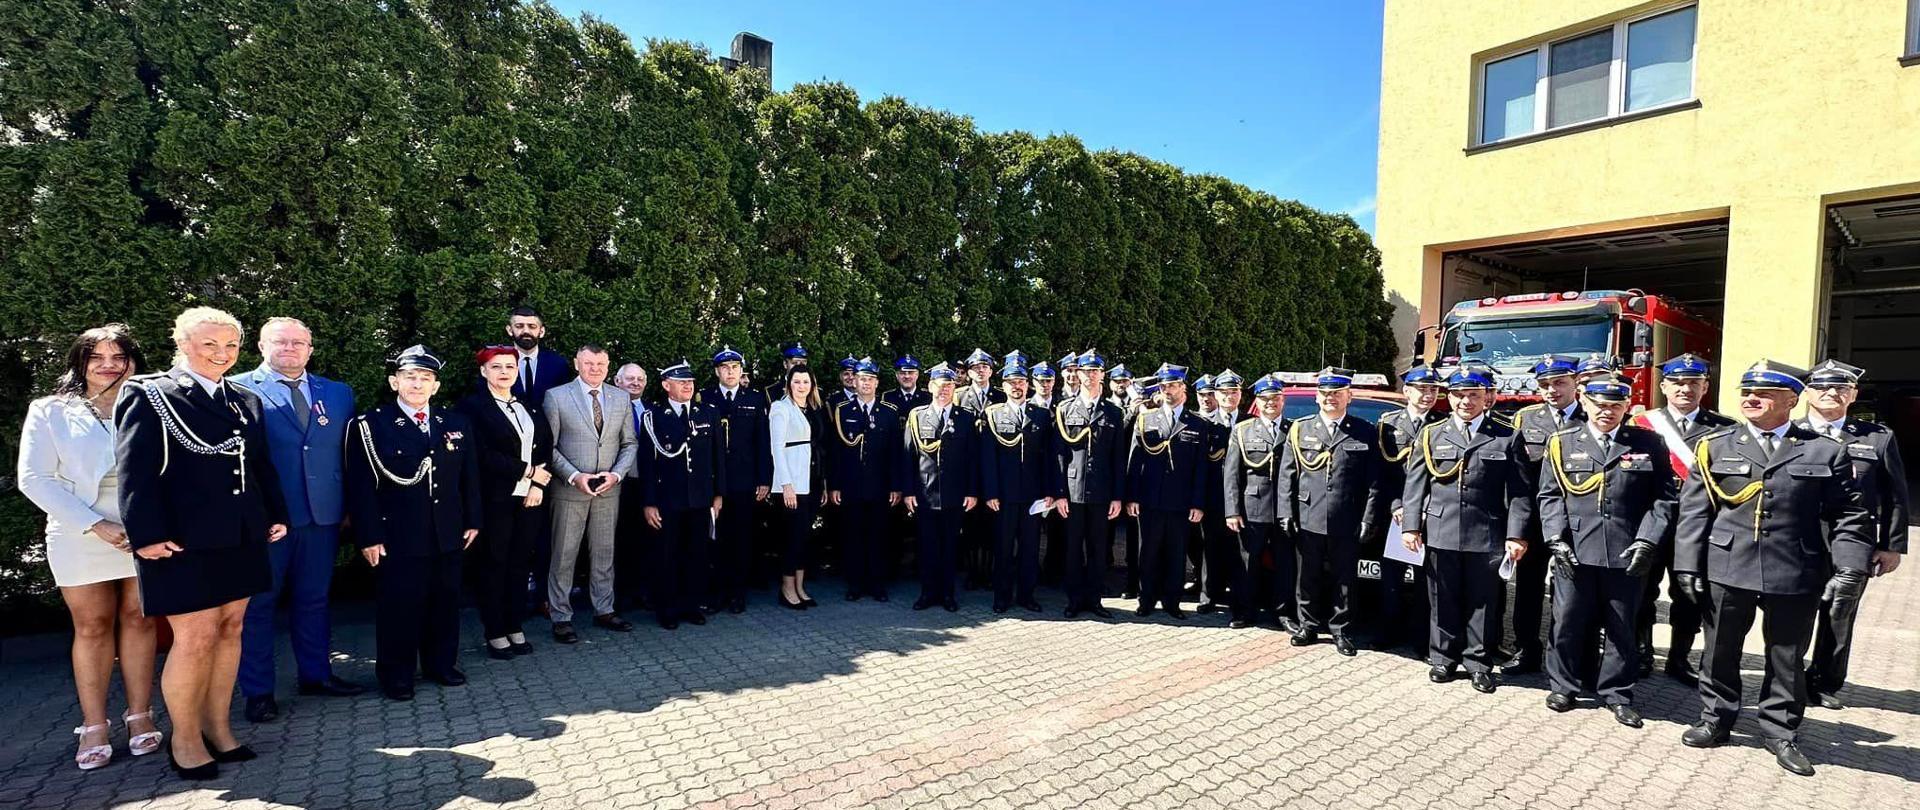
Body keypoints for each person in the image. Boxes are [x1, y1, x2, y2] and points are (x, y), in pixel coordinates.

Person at [1675, 360, 1874, 776]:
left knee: (1786, 656)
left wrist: (1850, 569)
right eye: (1746, 392)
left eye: (1763, 394)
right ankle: (1716, 719)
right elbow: (1695, 513)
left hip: (1795, 567)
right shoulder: (1717, 445)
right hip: (1728, 565)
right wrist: (1687, 567)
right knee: (1719, 652)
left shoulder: (1824, 449)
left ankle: (1780, 730)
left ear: (1791, 400)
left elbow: (1849, 516)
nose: (1750, 399)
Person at [117, 307, 289, 780]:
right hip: (182, 540)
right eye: (210, 344)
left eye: (231, 345)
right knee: (193, 638)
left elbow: (258, 465)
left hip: (241, 535)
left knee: (231, 629)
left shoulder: (244, 399)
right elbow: (136, 471)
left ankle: (218, 728)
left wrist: (275, 514)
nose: (222, 354)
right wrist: (145, 535)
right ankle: (185, 739)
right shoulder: (150, 394)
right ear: (182, 344)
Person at [18, 324, 162, 771]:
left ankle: (140, 716)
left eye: (119, 356)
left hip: (143, 530)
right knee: (93, 626)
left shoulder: (152, 404)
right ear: (79, 362)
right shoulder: (50, 410)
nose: (108, 365)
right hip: (80, 530)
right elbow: (34, 479)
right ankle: (94, 724)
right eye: (96, 357)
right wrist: (96, 523)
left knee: (140, 619)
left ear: (133, 361)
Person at [231, 317, 364, 724]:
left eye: (299, 343)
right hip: (271, 520)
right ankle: (258, 692)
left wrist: (349, 507)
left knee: (314, 599)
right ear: (260, 345)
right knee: (259, 606)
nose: (290, 348)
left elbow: (349, 454)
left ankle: (316, 675)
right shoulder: (237, 389)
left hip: (322, 516)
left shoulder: (338, 393)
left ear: (310, 349)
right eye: (281, 342)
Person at [1536, 374, 1677, 728]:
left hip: (1627, 550)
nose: (1607, 412)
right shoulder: (1562, 442)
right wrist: (1555, 539)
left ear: (1627, 407)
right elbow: (1550, 496)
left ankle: (1617, 693)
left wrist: (1647, 540)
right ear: (1584, 403)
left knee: (1621, 627)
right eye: (1600, 405)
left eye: (1616, 405)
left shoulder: (1648, 443)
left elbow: (1664, 498)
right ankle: (1564, 686)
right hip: (1575, 550)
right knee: (1567, 620)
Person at [345, 345, 482, 701]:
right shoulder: (371, 425)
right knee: (400, 608)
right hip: (398, 534)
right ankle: (397, 675)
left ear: (436, 386)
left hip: (447, 531)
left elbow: (469, 478)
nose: (418, 384)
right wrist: (369, 536)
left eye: (426, 378)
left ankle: (441, 665)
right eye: (410, 377)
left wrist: (473, 520)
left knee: (445, 602)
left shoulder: (454, 423)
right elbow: (361, 488)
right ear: (395, 382)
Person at [1400, 362, 1531, 694]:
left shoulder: (1506, 436)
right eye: (1459, 395)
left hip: (1486, 533)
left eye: (1473, 395)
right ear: (1450, 396)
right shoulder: (1432, 434)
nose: (1465, 402)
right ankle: (1442, 658)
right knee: (1441, 598)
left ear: (1486, 397)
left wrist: (1516, 534)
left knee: (1483, 602)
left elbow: (1518, 492)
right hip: (1441, 531)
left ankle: (1478, 663)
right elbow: (1415, 487)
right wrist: (1411, 527)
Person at [1798, 359, 1910, 709]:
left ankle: (1824, 681)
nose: (1832, 393)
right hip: (1798, 539)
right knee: (1794, 611)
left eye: (1841, 388)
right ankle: (1788, 679)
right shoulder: (1790, 431)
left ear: (1854, 395)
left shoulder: (1877, 437)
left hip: (1855, 540)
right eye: (1822, 387)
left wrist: (1892, 546)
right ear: (1807, 393)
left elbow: (1895, 495)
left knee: (1839, 611)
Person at [1629, 352, 1736, 685]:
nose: (1685, 389)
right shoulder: (1641, 424)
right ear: (1663, 386)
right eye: (1677, 382)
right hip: (1651, 518)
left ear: (1705, 387)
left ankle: (1679, 659)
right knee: (1642, 590)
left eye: (1693, 383)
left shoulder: (1725, 429)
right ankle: (1642, 653)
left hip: (1698, 525)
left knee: (1689, 593)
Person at [458, 346, 554, 660]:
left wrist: (537, 483)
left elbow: (544, 445)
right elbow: (481, 454)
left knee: (519, 564)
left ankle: (514, 624)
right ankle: (495, 631)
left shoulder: (527, 405)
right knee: (493, 564)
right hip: (495, 498)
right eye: (496, 366)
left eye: (509, 366)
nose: (504, 372)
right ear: (484, 371)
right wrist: (526, 471)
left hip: (530, 497)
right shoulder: (472, 408)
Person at [1278, 367, 1381, 655]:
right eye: (1325, 393)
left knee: (1345, 579)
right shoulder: (1301, 429)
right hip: (1308, 516)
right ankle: (1308, 626)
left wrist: (1368, 518)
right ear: (1317, 398)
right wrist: (1285, 513)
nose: (1330, 398)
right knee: (1307, 576)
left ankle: (1341, 630)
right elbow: (1288, 476)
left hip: (1346, 519)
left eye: (1336, 393)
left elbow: (1374, 481)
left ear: (1349, 396)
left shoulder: (1364, 431)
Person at [542, 345, 639, 642]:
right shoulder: (556, 397)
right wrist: (574, 476)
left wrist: (616, 474)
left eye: (600, 363)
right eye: (588, 363)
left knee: (604, 552)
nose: (595, 368)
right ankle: (561, 616)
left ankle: (604, 609)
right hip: (570, 489)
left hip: (609, 489)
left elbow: (629, 444)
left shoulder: (620, 397)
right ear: (577, 364)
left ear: (608, 365)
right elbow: (550, 446)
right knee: (564, 554)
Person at [1504, 354, 1585, 675]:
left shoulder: (1591, 414)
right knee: (1528, 589)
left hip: (1579, 521)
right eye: (1545, 385)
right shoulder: (1526, 419)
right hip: (1536, 519)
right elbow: (1519, 480)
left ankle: (1566, 657)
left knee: (1573, 592)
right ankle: (1526, 650)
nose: (1552, 390)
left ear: (1576, 383)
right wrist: (1517, 528)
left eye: (1560, 382)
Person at [640, 360, 726, 629]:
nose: (688, 386)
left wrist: (718, 493)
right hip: (668, 499)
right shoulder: (654, 417)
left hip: (700, 498)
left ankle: (691, 606)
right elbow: (647, 464)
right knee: (667, 555)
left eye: (690, 382)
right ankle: (668, 609)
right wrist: (649, 502)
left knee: (696, 554)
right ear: (667, 386)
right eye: (681, 382)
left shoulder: (707, 413)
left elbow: (717, 458)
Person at [1125, 364, 1209, 619]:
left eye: (1173, 385)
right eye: (1164, 386)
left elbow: (1200, 469)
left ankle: (1172, 602)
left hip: (1180, 502)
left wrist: (1197, 503)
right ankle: (1146, 599)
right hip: (1150, 500)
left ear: (1183, 388)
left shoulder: (1197, 423)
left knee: (1176, 554)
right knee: (1148, 552)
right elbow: (1134, 461)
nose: (1168, 390)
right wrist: (1132, 496)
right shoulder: (1146, 419)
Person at [900, 363, 978, 611]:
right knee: (927, 547)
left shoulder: (965, 418)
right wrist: (909, 491)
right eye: (939, 385)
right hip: (925, 494)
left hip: (955, 495)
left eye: (949, 385)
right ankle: (927, 593)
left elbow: (972, 460)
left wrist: (972, 491)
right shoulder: (917, 415)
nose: (944, 390)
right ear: (930, 386)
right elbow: (908, 457)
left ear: (955, 388)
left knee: (950, 547)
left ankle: (947, 594)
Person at [700, 347, 772, 613]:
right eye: (725, 368)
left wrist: (764, 478)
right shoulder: (704, 397)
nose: (730, 372)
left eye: (735, 368)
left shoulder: (754, 398)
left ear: (742, 371)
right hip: (713, 480)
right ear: (717, 371)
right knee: (715, 538)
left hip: (744, 480)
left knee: (742, 538)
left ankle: (738, 594)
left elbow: (763, 442)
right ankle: (717, 592)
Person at [1054, 350, 1125, 619]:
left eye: (1095, 371)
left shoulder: (1114, 412)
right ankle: (1074, 600)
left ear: (1102, 376)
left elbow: (1118, 458)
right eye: (1086, 371)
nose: (1090, 376)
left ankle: (1094, 600)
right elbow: (1059, 456)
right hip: (1071, 493)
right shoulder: (1064, 410)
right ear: (1078, 374)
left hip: (1102, 493)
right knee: (1072, 549)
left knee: (1098, 549)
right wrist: (1059, 493)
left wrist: (1118, 496)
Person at [979, 360, 1051, 613]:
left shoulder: (1041, 415)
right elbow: (987, 458)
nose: (1016, 386)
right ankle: (1002, 597)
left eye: (1020, 382)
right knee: (1003, 548)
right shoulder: (993, 414)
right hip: (1004, 496)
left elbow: (1049, 457)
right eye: (1011, 382)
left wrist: (1048, 493)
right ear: (1004, 386)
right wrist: (990, 493)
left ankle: (1026, 596)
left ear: (1028, 385)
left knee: (1030, 549)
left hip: (1032, 496)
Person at [829, 358, 902, 601]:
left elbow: (895, 453)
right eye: (862, 379)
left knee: (878, 536)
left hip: (880, 487)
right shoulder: (842, 411)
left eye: (870, 379)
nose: (866, 383)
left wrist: (895, 485)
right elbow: (836, 452)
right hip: (851, 486)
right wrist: (835, 484)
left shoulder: (889, 413)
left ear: (877, 383)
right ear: (855, 382)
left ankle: (877, 584)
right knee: (853, 536)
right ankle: (855, 584)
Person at [1222, 374, 1287, 630]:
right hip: (1252, 509)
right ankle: (1243, 612)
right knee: (1247, 564)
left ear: (1282, 401)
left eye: (1275, 398)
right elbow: (1231, 474)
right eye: (1265, 398)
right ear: (1257, 402)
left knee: (1285, 565)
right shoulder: (1243, 430)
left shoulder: (1294, 429)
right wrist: (1232, 510)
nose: (1270, 403)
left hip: (1284, 510)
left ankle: (1283, 614)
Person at [769, 363, 829, 609]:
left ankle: (800, 586)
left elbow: (819, 448)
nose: (801, 386)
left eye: (805, 381)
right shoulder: (780, 408)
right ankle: (786, 588)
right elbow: (777, 448)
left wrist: (823, 484)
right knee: (791, 538)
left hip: (812, 481)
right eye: (796, 382)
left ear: (812, 384)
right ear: (788, 384)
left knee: (805, 537)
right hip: (793, 483)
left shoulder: (814, 409)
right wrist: (787, 485)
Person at [612, 362, 654, 610]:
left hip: (645, 483)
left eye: (640, 379)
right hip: (618, 483)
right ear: (618, 382)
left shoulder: (652, 410)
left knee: (646, 538)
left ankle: (643, 589)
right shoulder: (609, 408)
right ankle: (618, 594)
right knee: (618, 540)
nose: (635, 383)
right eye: (630, 379)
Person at [497, 305, 568, 399]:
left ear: (541, 331)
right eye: (519, 326)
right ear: (510, 330)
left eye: (532, 326)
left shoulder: (558, 364)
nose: (526, 331)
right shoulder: (495, 363)